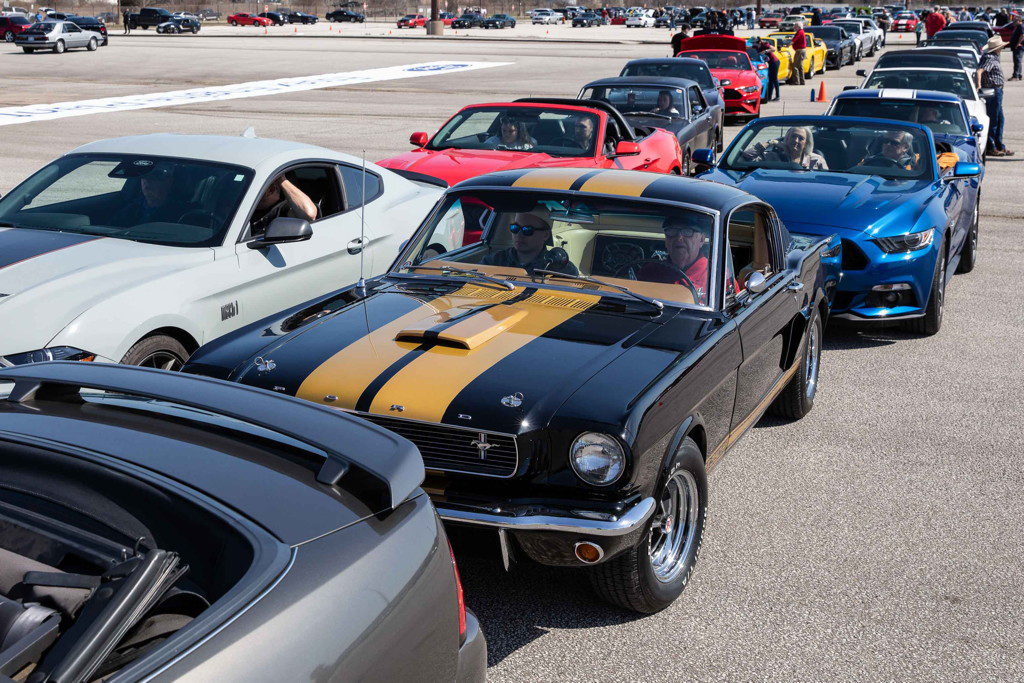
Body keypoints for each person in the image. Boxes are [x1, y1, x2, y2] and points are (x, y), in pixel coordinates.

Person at [636, 213, 714, 304]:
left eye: (687, 231)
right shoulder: (650, 272)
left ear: (701, 239)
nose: (679, 238)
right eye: (672, 231)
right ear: (666, 240)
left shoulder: (716, 276)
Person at [482, 206, 578, 276]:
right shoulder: (493, 261)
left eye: (527, 230)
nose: (519, 234)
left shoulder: (563, 270)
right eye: (515, 228)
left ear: (545, 235)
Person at [978, 35, 1014, 156]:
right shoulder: (990, 58)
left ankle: (999, 145)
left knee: (999, 119)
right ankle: (991, 147)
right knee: (994, 119)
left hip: (996, 90)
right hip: (992, 91)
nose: (1002, 49)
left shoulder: (993, 57)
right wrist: (978, 85)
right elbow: (979, 71)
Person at [249, 175, 318, 235]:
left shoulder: (283, 208)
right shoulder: (243, 207)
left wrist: (281, 178)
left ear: (271, 190)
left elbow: (309, 215)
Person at [114, 164, 181, 226]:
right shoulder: (130, 210)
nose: (147, 180)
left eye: (155, 175)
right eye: (144, 175)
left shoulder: (181, 215)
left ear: (169, 181)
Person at [742, 126, 829, 169]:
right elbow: (746, 156)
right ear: (786, 139)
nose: (796, 140)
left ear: (806, 143)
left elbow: (827, 181)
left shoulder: (817, 160)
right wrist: (770, 142)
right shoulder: (771, 157)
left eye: (801, 138)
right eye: (793, 136)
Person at [1009, 15, 1023, 80]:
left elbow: (1022, 35)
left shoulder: (1020, 26)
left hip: (1019, 47)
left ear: (1019, 21)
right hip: (1016, 47)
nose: (1013, 22)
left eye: (1015, 21)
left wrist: (1018, 44)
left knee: (1017, 61)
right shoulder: (1018, 27)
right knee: (1018, 61)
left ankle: (1016, 76)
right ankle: (1019, 75)